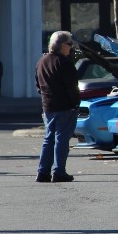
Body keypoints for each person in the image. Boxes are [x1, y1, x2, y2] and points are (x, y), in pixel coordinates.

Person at [35, 31, 80, 182]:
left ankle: (43, 172)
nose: (71, 47)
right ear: (61, 45)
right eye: (69, 44)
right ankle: (59, 171)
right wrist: (75, 104)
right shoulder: (65, 63)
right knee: (61, 139)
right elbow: (72, 88)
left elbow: (38, 85)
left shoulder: (42, 61)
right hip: (65, 107)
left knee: (49, 139)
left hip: (48, 106)